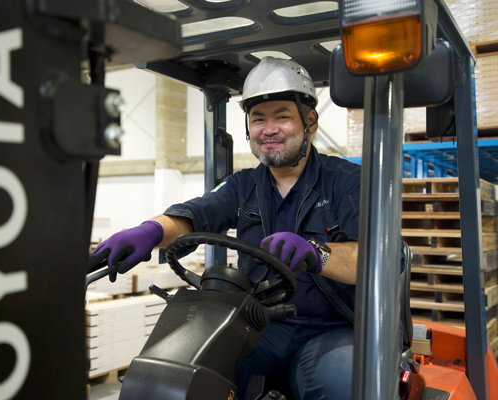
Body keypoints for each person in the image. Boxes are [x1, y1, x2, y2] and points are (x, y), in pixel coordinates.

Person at [89, 57, 389, 399]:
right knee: (183, 377)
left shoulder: (349, 182)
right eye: (258, 119)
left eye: (282, 117)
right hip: (261, 323)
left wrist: (317, 252)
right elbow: (195, 214)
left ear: (310, 121)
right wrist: (150, 232)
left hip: (335, 329)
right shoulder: (241, 186)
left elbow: (374, 258)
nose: (269, 129)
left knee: (342, 385)